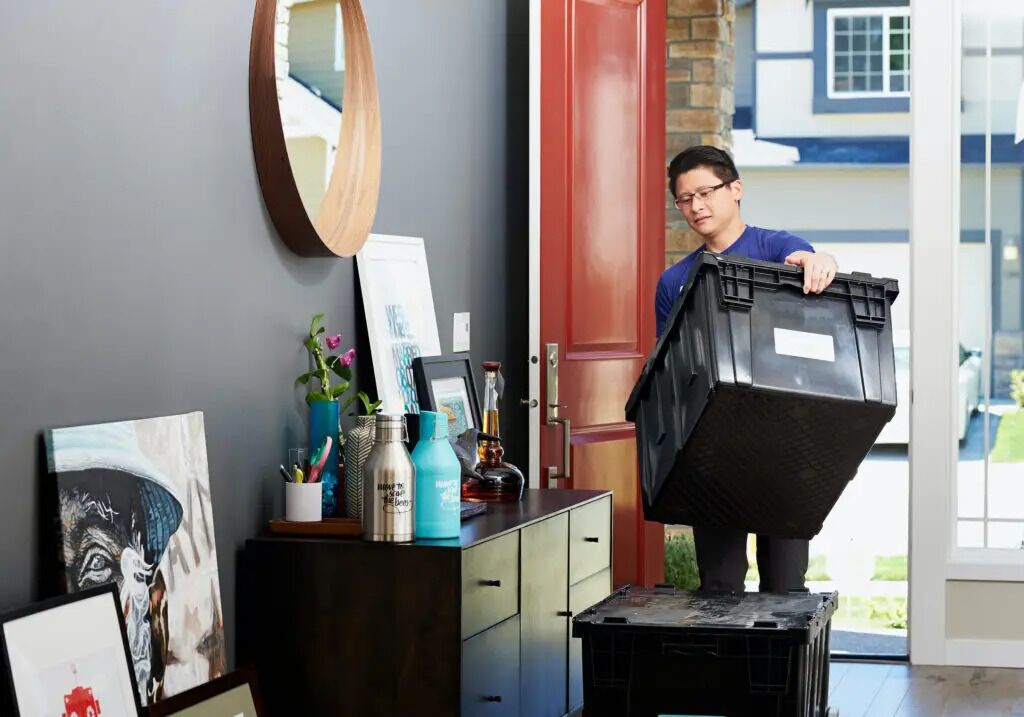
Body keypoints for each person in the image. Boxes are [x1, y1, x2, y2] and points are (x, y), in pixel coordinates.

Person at [657, 145, 839, 593]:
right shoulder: (674, 281)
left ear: (735, 189)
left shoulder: (775, 247)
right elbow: (670, 370)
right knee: (718, 586)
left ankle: (782, 667)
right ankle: (730, 667)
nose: (696, 206)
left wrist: (820, 262)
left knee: (785, 586)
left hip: (788, 448)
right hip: (713, 454)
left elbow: (807, 258)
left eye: (706, 192)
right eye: (684, 199)